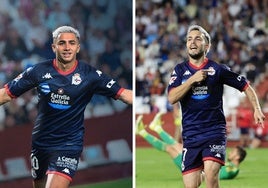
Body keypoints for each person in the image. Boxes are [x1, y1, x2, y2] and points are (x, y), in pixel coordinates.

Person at [0, 26, 132, 188]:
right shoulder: (38, 71)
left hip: (69, 144)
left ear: (78, 47)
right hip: (41, 142)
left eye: (72, 43)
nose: (67, 47)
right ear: (54, 47)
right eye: (62, 43)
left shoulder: (90, 74)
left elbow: (123, 93)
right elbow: (6, 94)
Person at [167, 25, 265, 188]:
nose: (192, 42)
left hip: (214, 131)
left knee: (211, 178)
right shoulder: (179, 70)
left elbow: (246, 85)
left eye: (198, 38)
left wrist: (257, 108)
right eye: (189, 39)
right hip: (191, 135)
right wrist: (192, 80)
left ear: (207, 46)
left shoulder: (217, 69)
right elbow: (172, 98)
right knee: (191, 185)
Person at [136, 113, 247, 181]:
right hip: (198, 164)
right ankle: (156, 128)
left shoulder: (233, 169)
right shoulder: (229, 166)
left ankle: (143, 131)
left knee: (170, 148)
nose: (230, 152)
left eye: (233, 152)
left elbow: (215, 174)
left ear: (237, 157)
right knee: (178, 145)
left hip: (195, 170)